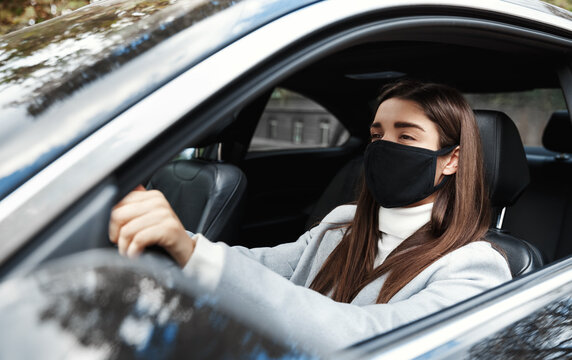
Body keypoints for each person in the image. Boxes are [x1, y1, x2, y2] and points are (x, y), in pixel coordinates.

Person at [108, 80, 512, 351]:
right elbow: (262, 268)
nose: (384, 147)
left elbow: (373, 339)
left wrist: (193, 252)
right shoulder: (342, 225)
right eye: (376, 135)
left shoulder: (476, 267)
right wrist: (179, 244)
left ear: (452, 160)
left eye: (405, 136)